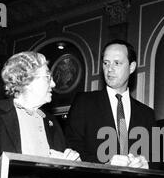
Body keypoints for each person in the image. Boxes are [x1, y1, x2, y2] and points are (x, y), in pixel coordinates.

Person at [65, 39, 155, 169]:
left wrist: (146, 164)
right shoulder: (84, 103)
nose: (109, 69)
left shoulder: (147, 114)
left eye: (117, 63)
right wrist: (105, 165)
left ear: (131, 67)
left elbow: (156, 159)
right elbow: (72, 149)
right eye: (106, 63)